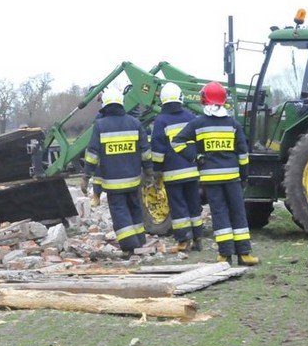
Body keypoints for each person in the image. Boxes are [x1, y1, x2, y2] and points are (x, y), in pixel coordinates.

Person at [172, 81, 259, 266]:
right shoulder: (233, 124)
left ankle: (225, 255)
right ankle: (244, 254)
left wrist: (195, 157)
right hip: (233, 178)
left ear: (204, 100)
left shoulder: (197, 124)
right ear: (224, 101)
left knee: (220, 214)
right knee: (238, 213)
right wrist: (244, 176)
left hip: (211, 180)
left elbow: (177, 142)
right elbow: (243, 154)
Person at [81, 86, 153, 254]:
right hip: (134, 180)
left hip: (113, 183)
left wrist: (86, 176)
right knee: (135, 209)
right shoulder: (135, 123)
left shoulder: (100, 125)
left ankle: (129, 245)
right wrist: (149, 171)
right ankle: (140, 240)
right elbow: (145, 151)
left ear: (105, 105)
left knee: (120, 212)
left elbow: (92, 155)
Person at [150, 83, 203, 252]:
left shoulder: (161, 121)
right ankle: (197, 238)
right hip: (192, 171)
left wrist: (157, 170)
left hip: (172, 174)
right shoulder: (191, 117)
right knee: (194, 204)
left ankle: (183, 241)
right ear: (181, 98)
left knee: (178, 206)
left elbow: (157, 149)